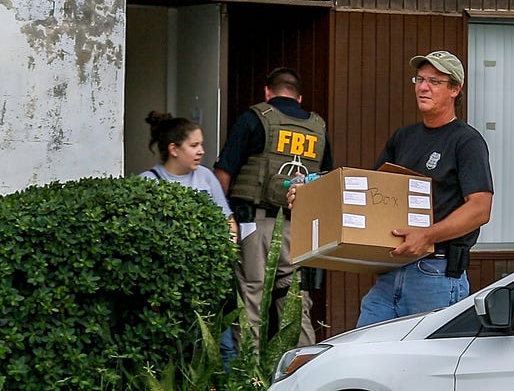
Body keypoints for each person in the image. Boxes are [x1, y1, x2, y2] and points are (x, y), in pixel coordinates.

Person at [288, 51, 493, 327]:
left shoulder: (466, 141)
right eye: (419, 79)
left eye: (434, 81)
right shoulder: (403, 137)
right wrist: (309, 194)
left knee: (426, 365)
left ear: (455, 89)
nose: (423, 87)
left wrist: (427, 235)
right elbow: (371, 193)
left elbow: (480, 208)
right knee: (366, 353)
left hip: (437, 272)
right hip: (390, 270)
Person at [214, 67, 333, 348]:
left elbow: (223, 175)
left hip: (254, 225)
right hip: (299, 229)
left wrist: (224, 218)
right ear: (299, 97)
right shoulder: (318, 128)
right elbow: (327, 180)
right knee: (295, 300)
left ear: (268, 92)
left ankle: (248, 377)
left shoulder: (254, 119)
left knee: (250, 300)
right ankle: (304, 371)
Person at [138, 110, 238, 367]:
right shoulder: (149, 183)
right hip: (171, 284)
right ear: (174, 149)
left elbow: (228, 221)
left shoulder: (205, 177)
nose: (201, 151)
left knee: (223, 344)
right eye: (194, 145)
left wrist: (228, 252)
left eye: (201, 144)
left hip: (211, 279)